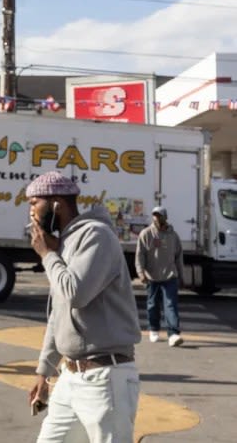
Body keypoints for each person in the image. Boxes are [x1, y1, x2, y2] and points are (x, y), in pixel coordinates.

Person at [26, 171, 141, 442]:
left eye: (34, 203)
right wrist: (45, 372)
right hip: (71, 376)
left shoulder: (96, 236)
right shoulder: (65, 243)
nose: (30, 212)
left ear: (57, 204)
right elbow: (59, 314)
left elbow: (75, 293)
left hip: (104, 377)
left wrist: (47, 255)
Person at [135, 205, 184, 347]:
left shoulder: (173, 236)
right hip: (152, 277)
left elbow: (179, 257)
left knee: (170, 305)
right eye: (154, 215)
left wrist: (181, 275)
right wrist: (141, 272)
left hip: (170, 276)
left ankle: (173, 334)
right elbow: (140, 255)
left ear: (165, 217)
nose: (156, 218)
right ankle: (154, 329)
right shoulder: (146, 234)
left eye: (159, 215)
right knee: (153, 305)